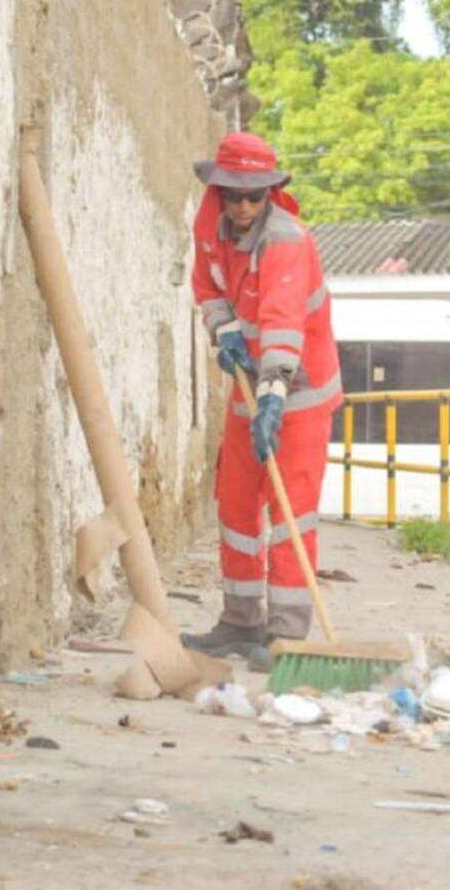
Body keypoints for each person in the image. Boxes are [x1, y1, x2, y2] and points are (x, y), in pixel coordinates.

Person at [182, 132, 342, 665]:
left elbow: (281, 319)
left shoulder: (286, 240)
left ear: (271, 192)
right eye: (235, 195)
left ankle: (287, 634)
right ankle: (240, 622)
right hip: (248, 383)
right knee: (236, 505)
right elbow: (206, 287)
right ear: (220, 191)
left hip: (297, 389)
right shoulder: (212, 226)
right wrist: (223, 330)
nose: (244, 206)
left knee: (291, 512)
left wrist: (274, 394)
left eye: (256, 195)